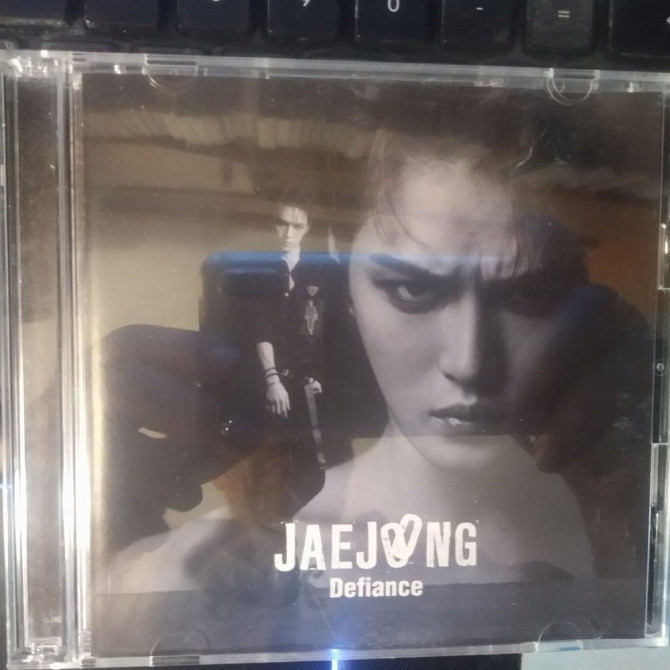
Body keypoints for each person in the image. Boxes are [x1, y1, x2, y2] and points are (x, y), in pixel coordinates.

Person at [96, 132, 653, 653]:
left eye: (527, 293)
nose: (469, 362)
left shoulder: (638, 525)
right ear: (344, 289)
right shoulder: (187, 575)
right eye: (411, 288)